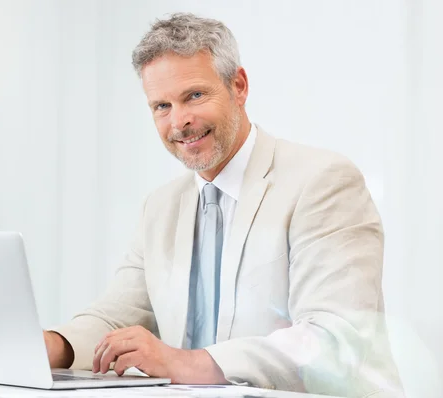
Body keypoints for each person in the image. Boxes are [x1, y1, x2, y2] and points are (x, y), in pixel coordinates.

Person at [43, 13, 403, 397]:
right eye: (161, 106)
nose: (179, 121)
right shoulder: (161, 207)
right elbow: (116, 317)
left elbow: (335, 340)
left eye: (194, 96)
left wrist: (184, 363)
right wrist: (51, 347)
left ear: (239, 86)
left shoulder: (323, 180)